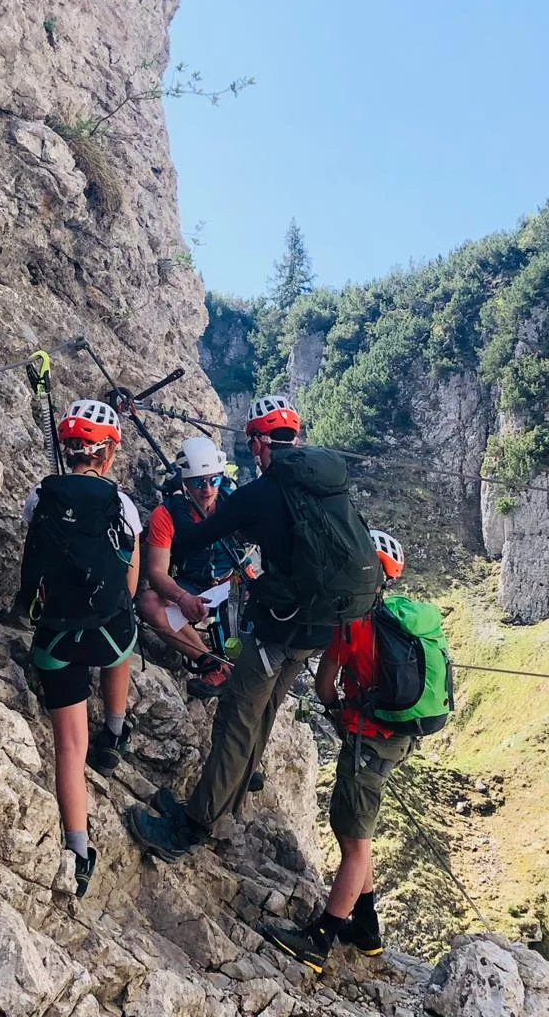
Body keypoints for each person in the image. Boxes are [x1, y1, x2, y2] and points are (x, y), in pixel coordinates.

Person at [126, 395, 380, 862]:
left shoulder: (260, 494)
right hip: (323, 629)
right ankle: (227, 802)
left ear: (261, 442)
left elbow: (196, 538)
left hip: (279, 629)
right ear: (295, 439)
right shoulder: (325, 486)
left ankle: (193, 825)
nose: (255, 453)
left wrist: (173, 506)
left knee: (236, 721)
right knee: (262, 716)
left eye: (254, 445)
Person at [261, 530, 413, 974]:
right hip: (391, 740)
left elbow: (324, 685)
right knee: (354, 829)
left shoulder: (353, 624)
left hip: (369, 742)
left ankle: (320, 939)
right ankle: (365, 927)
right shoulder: (398, 617)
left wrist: (338, 710)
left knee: (353, 841)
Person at [21, 399, 141, 897]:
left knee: (69, 746)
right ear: (108, 453)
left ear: (66, 450)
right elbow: (129, 590)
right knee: (124, 641)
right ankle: (114, 731)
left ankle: (78, 850)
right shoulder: (125, 506)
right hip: (108, 636)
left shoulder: (38, 497)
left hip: (55, 636)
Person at [138, 436, 243, 699]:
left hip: (231, 581)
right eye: (198, 482)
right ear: (184, 483)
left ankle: (237, 668)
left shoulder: (234, 503)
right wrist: (183, 598)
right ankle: (211, 664)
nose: (207, 489)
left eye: (213, 480)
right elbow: (157, 571)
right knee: (149, 603)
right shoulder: (167, 515)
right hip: (192, 583)